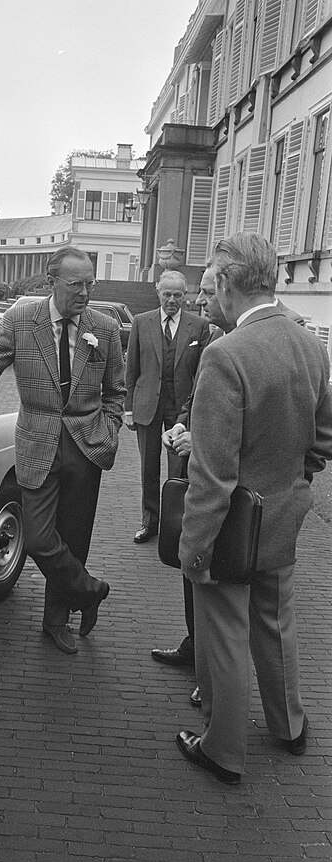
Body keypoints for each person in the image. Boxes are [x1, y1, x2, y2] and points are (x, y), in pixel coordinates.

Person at [175, 232, 332, 784]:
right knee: (276, 625)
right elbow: (324, 438)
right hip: (284, 516)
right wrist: (295, 481)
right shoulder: (312, 344)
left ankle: (224, 751)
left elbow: (212, 475)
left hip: (232, 525)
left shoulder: (225, 355)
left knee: (225, 638)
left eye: (210, 283)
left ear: (224, 282)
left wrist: (193, 548)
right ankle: (289, 727)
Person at [0, 247, 126, 654]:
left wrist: (112, 427)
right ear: (51, 283)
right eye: (76, 285)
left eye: (90, 284)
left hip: (87, 445)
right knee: (37, 537)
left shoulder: (104, 327)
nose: (85, 293)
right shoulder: (20, 320)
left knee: (75, 537)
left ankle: (56, 621)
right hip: (36, 441)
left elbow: (116, 390)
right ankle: (91, 591)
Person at [151, 266, 230, 675]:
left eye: (205, 293)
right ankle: (193, 648)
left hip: (230, 494)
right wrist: (184, 422)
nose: (197, 302)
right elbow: (198, 398)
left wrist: (198, 441)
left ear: (229, 290)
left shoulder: (253, 343)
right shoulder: (216, 336)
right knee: (191, 570)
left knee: (222, 592)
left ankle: (212, 676)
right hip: (197, 482)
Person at [125, 270, 209, 543]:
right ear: (157, 292)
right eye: (167, 294)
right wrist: (128, 408)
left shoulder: (198, 326)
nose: (172, 300)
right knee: (148, 469)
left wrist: (196, 411)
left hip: (181, 409)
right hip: (148, 405)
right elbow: (132, 368)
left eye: (177, 295)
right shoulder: (141, 322)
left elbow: (201, 373)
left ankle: (175, 528)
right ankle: (149, 523)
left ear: (186, 296)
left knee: (179, 471)